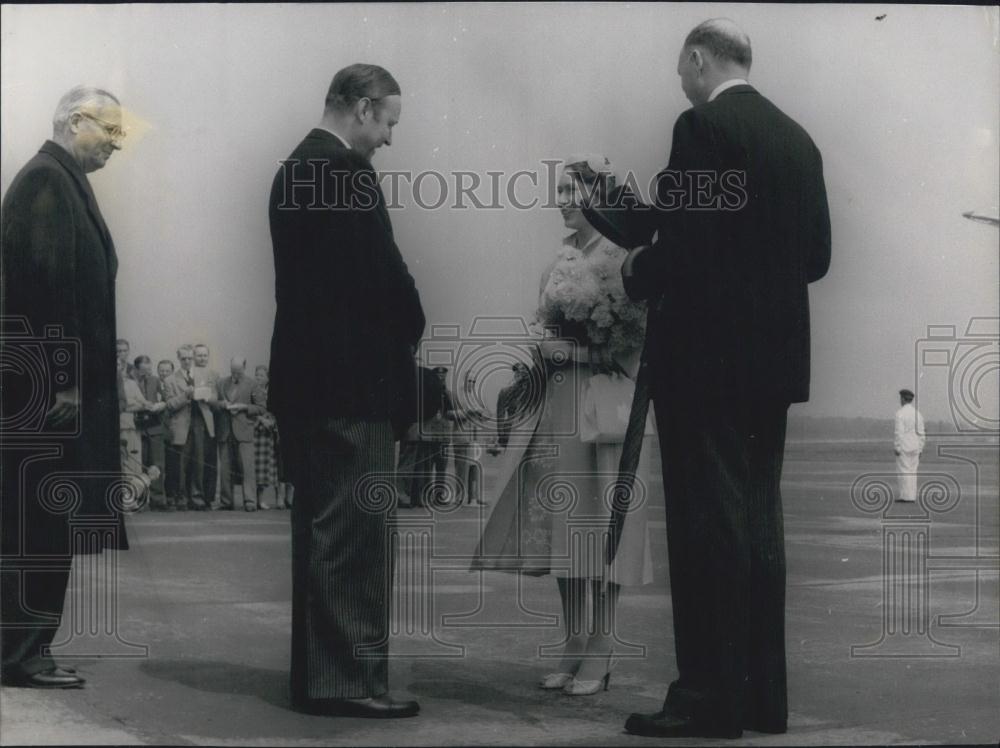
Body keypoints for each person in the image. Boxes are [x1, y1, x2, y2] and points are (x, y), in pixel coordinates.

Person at [618, 20, 831, 738]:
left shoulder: (702, 128)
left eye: (682, 67)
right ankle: (762, 699)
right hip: (771, 367)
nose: (680, 80)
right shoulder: (798, 139)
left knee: (707, 528)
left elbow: (682, 244)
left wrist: (633, 271)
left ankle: (708, 698)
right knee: (758, 527)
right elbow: (817, 257)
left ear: (701, 58)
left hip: (705, 364)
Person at [268, 63, 424, 718]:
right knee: (357, 537)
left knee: (323, 532)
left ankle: (320, 677)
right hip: (354, 387)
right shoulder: (344, 174)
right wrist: (413, 324)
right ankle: (349, 683)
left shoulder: (291, 171)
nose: (388, 138)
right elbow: (384, 281)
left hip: (306, 385)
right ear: (361, 108)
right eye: (387, 122)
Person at [472, 155, 655, 697]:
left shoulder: (622, 258)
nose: (563, 201)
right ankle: (574, 640)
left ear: (598, 198)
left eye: (572, 191)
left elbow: (633, 344)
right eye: (559, 191)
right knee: (565, 530)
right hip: (559, 406)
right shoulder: (563, 259)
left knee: (603, 527)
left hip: (604, 409)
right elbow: (545, 325)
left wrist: (573, 351)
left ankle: (603, 646)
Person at [1, 85, 130, 689]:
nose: (115, 143)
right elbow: (47, 292)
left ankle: (29, 650)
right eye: (109, 130)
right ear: (76, 120)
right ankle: (22, 654)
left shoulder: (52, 180)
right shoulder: (48, 182)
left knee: (46, 522)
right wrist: (66, 383)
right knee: (41, 524)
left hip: (51, 394)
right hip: (53, 401)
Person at [164, 345, 215, 511]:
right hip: (181, 425)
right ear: (178, 359)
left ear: (192, 358)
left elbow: (214, 397)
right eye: (183, 358)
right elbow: (170, 405)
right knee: (181, 464)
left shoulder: (204, 375)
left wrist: (205, 395)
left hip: (200, 423)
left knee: (199, 463)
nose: (187, 361)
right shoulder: (170, 379)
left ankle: (197, 498)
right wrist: (185, 395)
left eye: (189, 358)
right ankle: (182, 498)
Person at [217, 357, 265, 511]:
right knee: (225, 468)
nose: (235, 374)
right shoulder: (221, 383)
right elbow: (213, 403)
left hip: (244, 431)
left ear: (244, 367)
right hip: (225, 431)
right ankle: (226, 502)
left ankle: (250, 501)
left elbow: (261, 408)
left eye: (238, 371)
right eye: (233, 371)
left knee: (247, 468)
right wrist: (221, 404)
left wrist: (244, 407)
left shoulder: (253, 384)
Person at [251, 365, 292, 509]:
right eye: (256, 375)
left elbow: (279, 410)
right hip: (259, 432)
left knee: (277, 465)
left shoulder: (274, 393)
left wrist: (272, 422)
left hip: (275, 431)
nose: (258, 378)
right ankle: (259, 499)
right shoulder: (253, 392)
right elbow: (251, 410)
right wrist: (262, 420)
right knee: (260, 466)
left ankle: (280, 497)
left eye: (261, 376)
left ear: (268, 378)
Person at [134, 355, 168, 508]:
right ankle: (140, 499)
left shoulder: (156, 380)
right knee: (140, 465)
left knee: (157, 464)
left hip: (155, 428)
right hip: (138, 428)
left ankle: (158, 500)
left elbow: (166, 399)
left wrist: (161, 405)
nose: (147, 374)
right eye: (143, 371)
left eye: (149, 370)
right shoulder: (130, 382)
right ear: (136, 369)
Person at [193, 343, 220, 507]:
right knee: (197, 460)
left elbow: (218, 398)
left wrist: (209, 398)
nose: (202, 358)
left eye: (205, 355)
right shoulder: (190, 373)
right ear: (194, 356)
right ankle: (197, 496)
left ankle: (209, 497)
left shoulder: (214, 375)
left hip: (211, 420)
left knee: (210, 460)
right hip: (195, 419)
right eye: (199, 355)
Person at [894, 389, 926, 502]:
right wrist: (921, 448)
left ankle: (906, 496)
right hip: (915, 446)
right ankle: (911, 496)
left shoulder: (900, 413)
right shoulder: (918, 414)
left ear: (902, 399)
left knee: (904, 471)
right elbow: (922, 433)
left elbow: (899, 432)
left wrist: (897, 447)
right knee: (913, 471)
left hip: (904, 446)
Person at [156, 359, 178, 508]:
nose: (163, 373)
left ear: (172, 371)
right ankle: (157, 498)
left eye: (167, 371)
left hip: (172, 430)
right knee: (158, 465)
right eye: (161, 370)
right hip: (156, 430)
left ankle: (171, 496)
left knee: (172, 465)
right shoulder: (154, 385)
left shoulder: (175, 385)